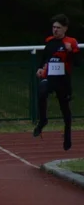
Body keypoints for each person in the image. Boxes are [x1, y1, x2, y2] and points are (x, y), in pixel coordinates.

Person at [34, 14, 80, 151]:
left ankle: (67, 137)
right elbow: (44, 59)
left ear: (65, 28)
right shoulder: (49, 41)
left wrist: (70, 51)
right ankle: (43, 120)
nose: (55, 30)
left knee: (65, 110)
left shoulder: (71, 42)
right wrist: (40, 69)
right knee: (42, 91)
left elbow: (78, 63)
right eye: (53, 27)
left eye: (58, 28)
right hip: (50, 77)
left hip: (63, 80)